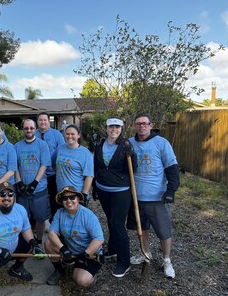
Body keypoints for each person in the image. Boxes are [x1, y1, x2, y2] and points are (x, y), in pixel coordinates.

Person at [128, 113, 180, 279]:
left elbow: (172, 168)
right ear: (134, 126)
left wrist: (171, 191)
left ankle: (166, 260)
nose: (141, 126)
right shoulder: (129, 143)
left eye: (144, 123)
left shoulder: (161, 143)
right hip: (137, 197)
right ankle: (145, 253)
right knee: (142, 229)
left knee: (163, 230)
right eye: (138, 124)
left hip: (157, 197)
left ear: (150, 125)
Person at [92, 118, 137, 278]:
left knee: (118, 224)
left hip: (120, 191)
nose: (114, 130)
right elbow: (96, 167)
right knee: (110, 220)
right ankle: (112, 250)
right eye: (111, 126)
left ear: (121, 129)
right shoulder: (99, 145)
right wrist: (95, 187)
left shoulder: (125, 145)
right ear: (106, 129)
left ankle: (124, 262)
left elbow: (134, 168)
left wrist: (131, 155)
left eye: (117, 127)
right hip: (103, 189)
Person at [44, 186, 104, 287]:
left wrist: (85, 254)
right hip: (71, 251)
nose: (68, 201)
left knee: (82, 281)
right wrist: (62, 249)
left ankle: (91, 276)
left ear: (78, 199)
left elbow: (99, 239)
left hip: (89, 254)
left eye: (72, 197)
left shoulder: (88, 216)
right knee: (48, 244)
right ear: (61, 201)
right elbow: (52, 233)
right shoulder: (59, 213)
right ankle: (59, 270)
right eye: (65, 198)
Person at [14, 119, 51, 251]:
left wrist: (35, 182)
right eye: (26, 128)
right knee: (23, 219)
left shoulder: (42, 145)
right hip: (22, 190)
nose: (29, 130)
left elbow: (44, 164)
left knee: (40, 218)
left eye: (31, 128)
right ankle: (27, 243)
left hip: (39, 189)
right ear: (22, 129)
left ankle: (39, 242)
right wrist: (19, 183)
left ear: (35, 129)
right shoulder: (17, 146)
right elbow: (15, 166)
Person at [52, 124, 93, 205]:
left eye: (72, 134)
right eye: (67, 134)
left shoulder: (85, 153)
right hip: (61, 193)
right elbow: (53, 164)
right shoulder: (60, 148)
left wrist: (83, 195)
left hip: (76, 194)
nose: (69, 136)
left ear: (78, 135)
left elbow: (89, 176)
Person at [35, 112, 65, 221]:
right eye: (40, 120)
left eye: (45, 120)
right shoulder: (33, 134)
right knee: (38, 199)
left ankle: (54, 224)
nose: (43, 122)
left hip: (52, 173)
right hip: (37, 174)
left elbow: (62, 152)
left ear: (49, 121)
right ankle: (37, 223)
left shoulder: (57, 135)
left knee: (54, 199)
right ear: (37, 122)